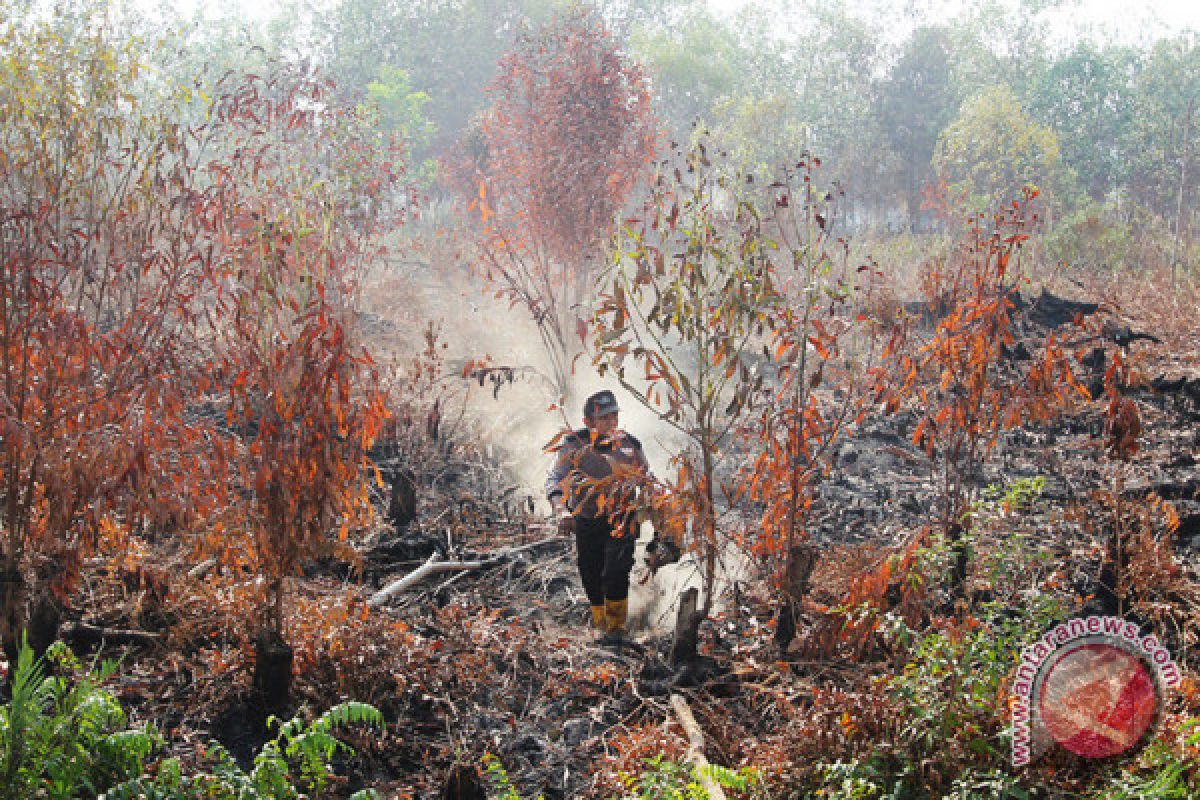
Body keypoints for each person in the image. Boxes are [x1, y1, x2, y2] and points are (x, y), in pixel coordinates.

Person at [545, 390, 651, 644]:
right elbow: (554, 480)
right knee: (590, 574)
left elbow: (647, 481)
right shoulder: (573, 446)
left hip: (621, 520)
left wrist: (645, 508)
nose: (612, 422)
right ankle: (600, 626)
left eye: (614, 415)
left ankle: (616, 630)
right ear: (588, 423)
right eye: (604, 418)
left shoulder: (630, 446)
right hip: (586, 519)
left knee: (616, 571)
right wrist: (561, 510)